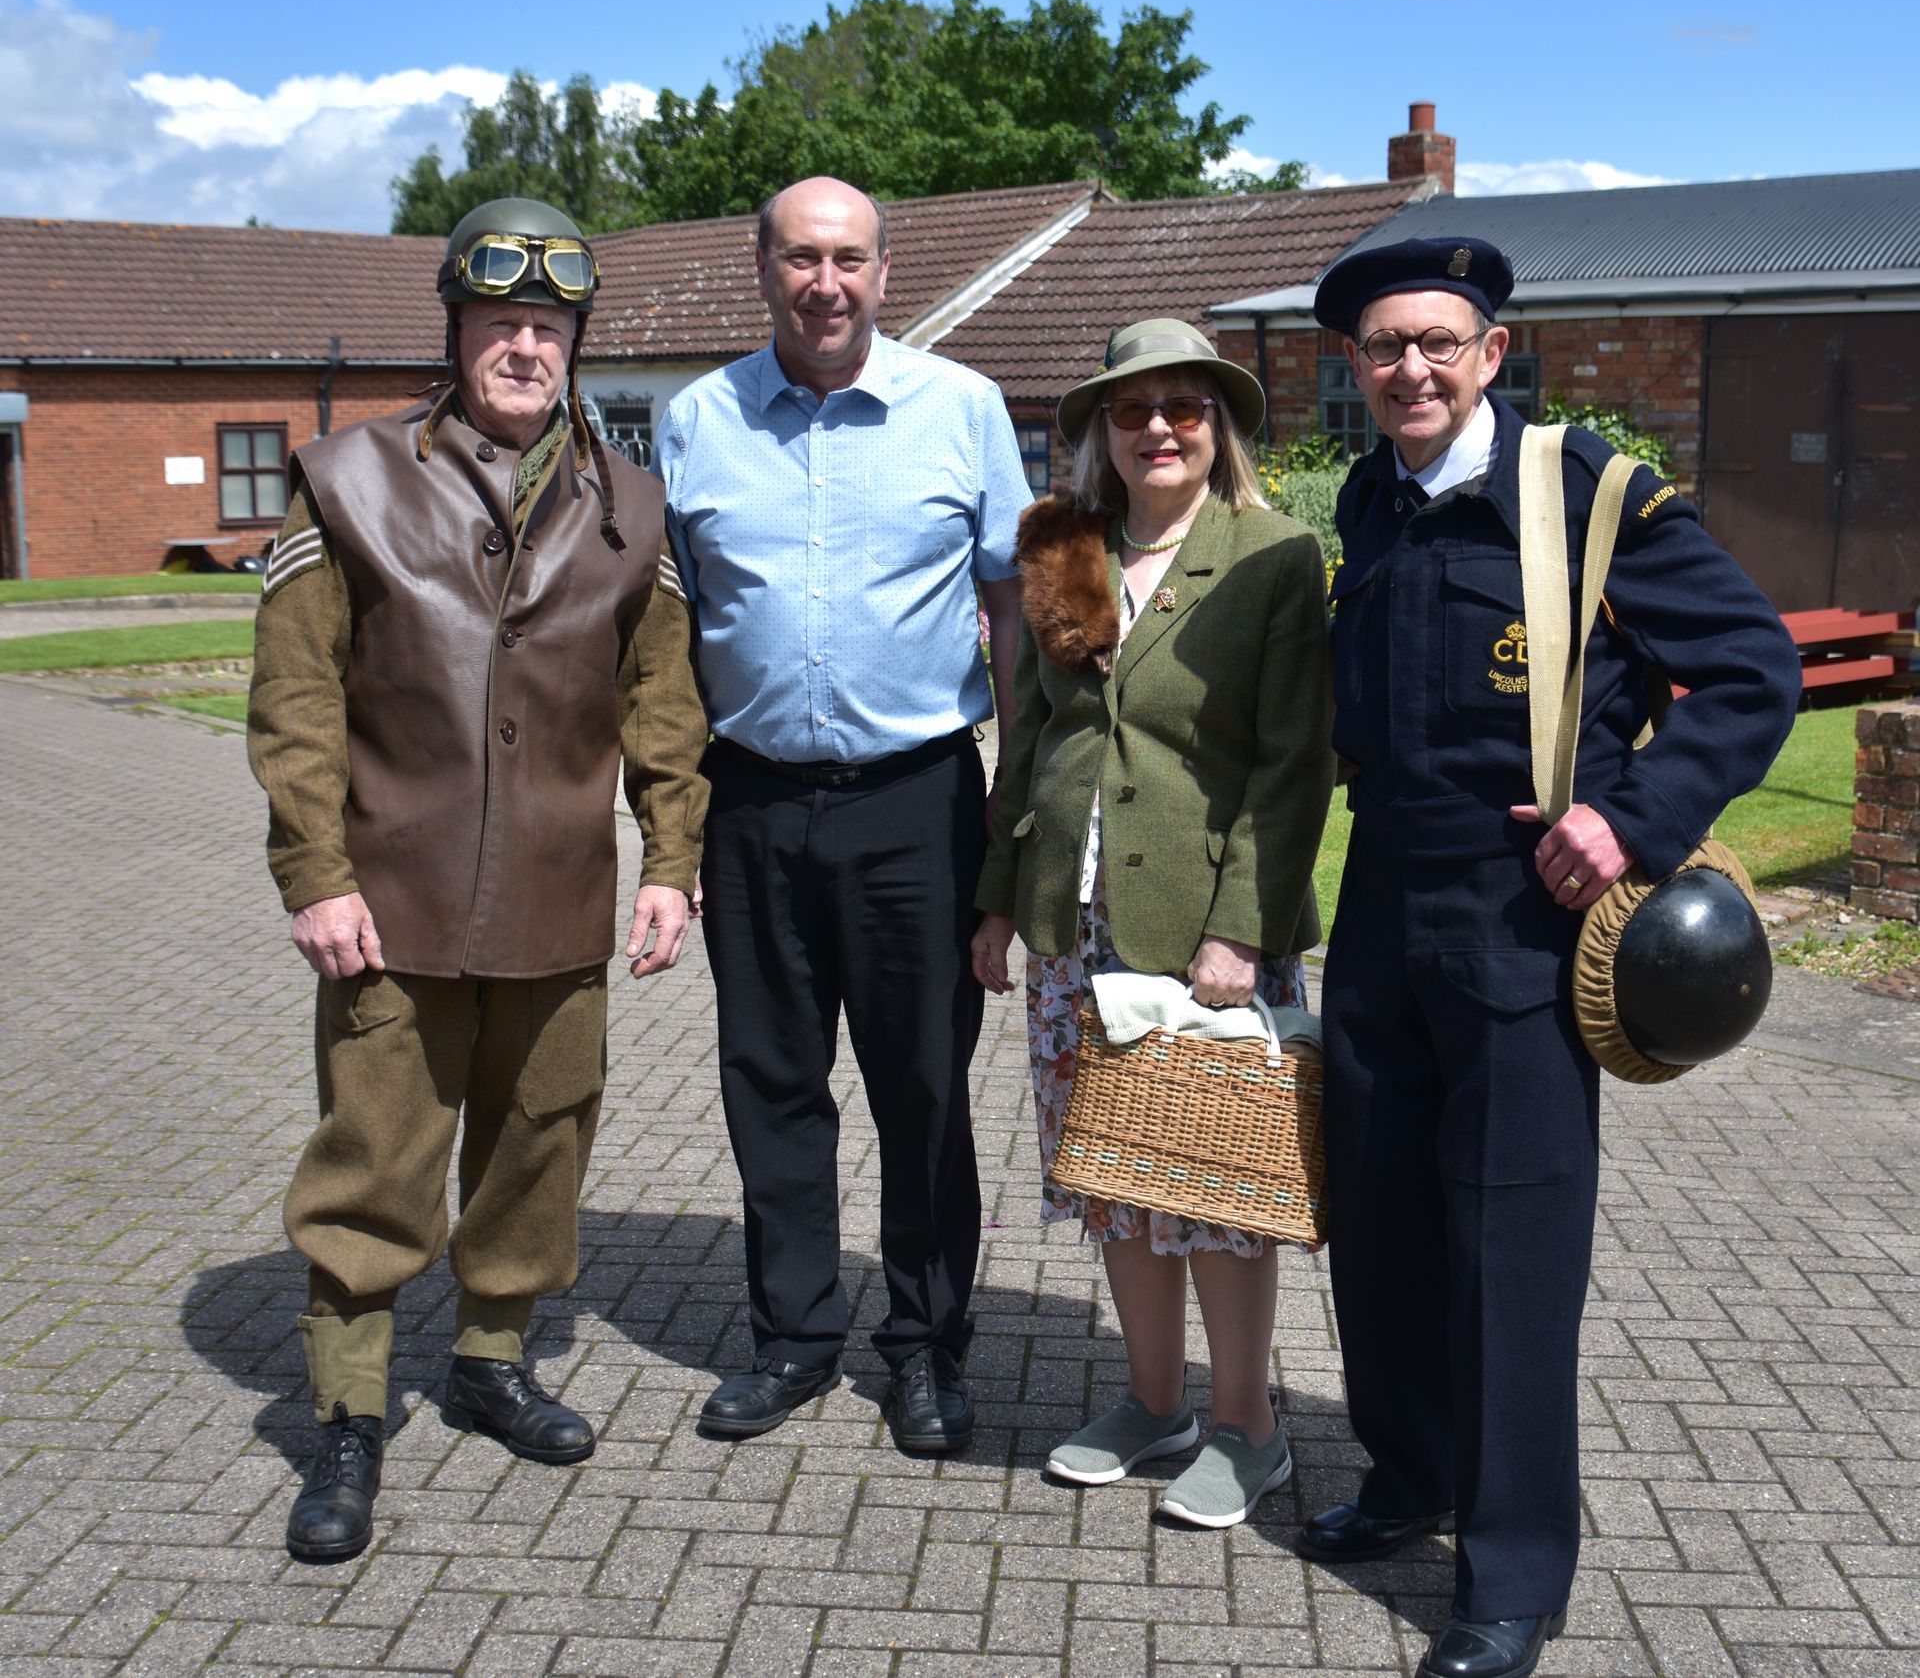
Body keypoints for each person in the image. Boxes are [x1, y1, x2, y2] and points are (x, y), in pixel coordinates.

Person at [1300, 236, 1800, 1678]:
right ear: (1357, 366)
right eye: (1384, 346)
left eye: (1437, 342)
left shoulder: (1587, 491)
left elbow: (1754, 666)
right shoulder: (1372, 500)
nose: (1411, 368)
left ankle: (1514, 1571)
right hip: (1384, 904)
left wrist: (1631, 817)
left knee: (1510, 1247)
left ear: (1491, 353)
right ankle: (1411, 1475)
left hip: (1525, 912)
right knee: (1381, 1223)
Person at [247, 197, 709, 1563]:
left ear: (576, 342)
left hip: (560, 899)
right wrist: (314, 873)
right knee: (377, 1159)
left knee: (537, 1144)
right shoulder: (346, 479)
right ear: (453, 331)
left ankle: (491, 1359)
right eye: (500, 322)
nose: (525, 347)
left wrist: (672, 859)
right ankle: (347, 1412)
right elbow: (294, 701)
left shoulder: (633, 506)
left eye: (549, 327)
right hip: (390, 902)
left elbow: (664, 702)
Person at [652, 176, 1030, 1455]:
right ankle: (793, 1337)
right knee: (770, 1078)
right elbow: (667, 627)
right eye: (802, 257)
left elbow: (1013, 607)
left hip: (918, 801)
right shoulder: (696, 420)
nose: (826, 283)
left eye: (849, 258)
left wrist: (1017, 798)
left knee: (922, 1085)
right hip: (752, 800)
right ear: (762, 267)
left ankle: (927, 1343)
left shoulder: (963, 409)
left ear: (884, 270)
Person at [971, 319, 1335, 1528]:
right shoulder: (1062, 548)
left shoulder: (1272, 556)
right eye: (1133, 410)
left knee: (1219, 1179)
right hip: (1073, 927)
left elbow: (1292, 764)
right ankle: (1154, 1399)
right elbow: (1030, 733)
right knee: (1115, 1175)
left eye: (1186, 407)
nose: (1160, 429)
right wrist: (997, 899)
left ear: (1218, 426)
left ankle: (1247, 1425)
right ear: (1102, 432)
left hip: (1205, 931)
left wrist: (1243, 929)